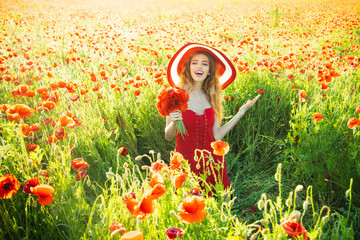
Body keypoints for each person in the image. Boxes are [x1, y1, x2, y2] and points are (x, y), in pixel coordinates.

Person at [164, 43, 260, 194]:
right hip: (185, 163)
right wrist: (174, 123)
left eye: (204, 64)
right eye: (194, 63)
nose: (199, 67)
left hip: (212, 161)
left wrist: (240, 113)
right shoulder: (175, 96)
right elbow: (168, 136)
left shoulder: (212, 97)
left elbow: (216, 135)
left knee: (221, 204)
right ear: (188, 67)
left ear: (209, 71)